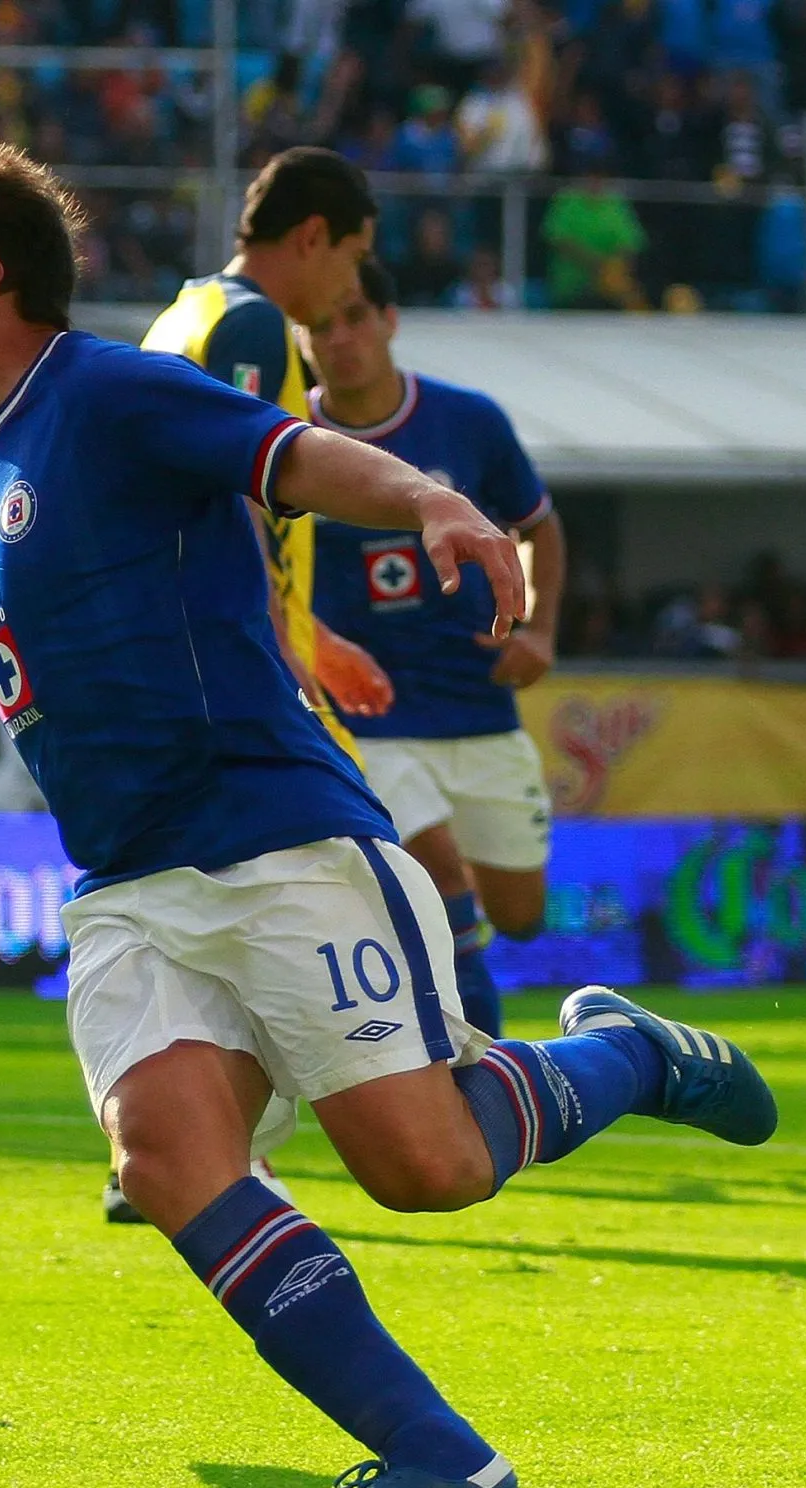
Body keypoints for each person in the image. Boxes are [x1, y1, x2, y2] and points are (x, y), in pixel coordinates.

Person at [0, 136, 775, 1488]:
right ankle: (443, 1464)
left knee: (429, 1166)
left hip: (270, 840)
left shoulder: (103, 389)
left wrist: (428, 498)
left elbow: (289, 455)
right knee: (165, 1158)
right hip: (125, 883)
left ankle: (632, 1055)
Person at [119, 144, 390, 1226]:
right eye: (354, 258)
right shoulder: (247, 328)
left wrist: (306, 630)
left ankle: (184, 1140)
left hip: (201, 664)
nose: (350, 293)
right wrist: (276, 650)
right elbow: (231, 491)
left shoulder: (175, 317)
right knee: (358, 875)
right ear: (313, 236)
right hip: (235, 676)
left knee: (220, 919)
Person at [301, 258, 564, 1038]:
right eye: (321, 325)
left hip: (475, 701)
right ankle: (479, 1067)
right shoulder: (283, 438)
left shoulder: (467, 421)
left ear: (390, 321)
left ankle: (443, 996)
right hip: (363, 712)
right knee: (438, 876)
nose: (340, 339)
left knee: (519, 915)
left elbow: (539, 524)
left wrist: (541, 628)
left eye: (355, 318)